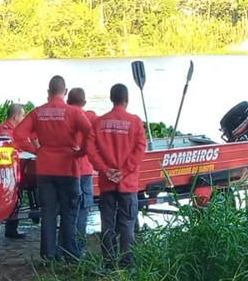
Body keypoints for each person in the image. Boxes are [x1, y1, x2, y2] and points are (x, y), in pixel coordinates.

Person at [12, 76, 89, 261]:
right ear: (65, 91)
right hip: (68, 168)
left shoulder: (39, 112)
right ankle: (70, 254)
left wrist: (37, 150)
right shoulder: (73, 112)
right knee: (69, 212)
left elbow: (18, 134)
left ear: (48, 92)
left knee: (48, 212)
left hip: (45, 169)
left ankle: (48, 255)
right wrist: (80, 153)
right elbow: (89, 131)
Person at [89, 82, 147, 268]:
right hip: (127, 182)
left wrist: (105, 169)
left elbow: (90, 149)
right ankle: (127, 261)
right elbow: (140, 149)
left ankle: (108, 262)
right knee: (127, 222)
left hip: (107, 182)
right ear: (127, 99)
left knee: (107, 223)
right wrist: (124, 170)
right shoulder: (135, 122)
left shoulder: (100, 122)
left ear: (111, 98)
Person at [67, 87, 98, 251]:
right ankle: (78, 248)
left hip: (65, 170)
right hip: (85, 170)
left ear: (67, 101)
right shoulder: (90, 116)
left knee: (68, 210)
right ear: (84, 102)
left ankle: (66, 247)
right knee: (83, 210)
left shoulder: (64, 116)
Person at [0, 101, 28, 239]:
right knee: (15, 198)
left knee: (17, 198)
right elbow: (13, 150)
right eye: (23, 116)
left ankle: (12, 228)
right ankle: (11, 229)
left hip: (12, 169)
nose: (24, 119)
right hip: (9, 171)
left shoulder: (8, 129)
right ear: (15, 117)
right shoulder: (5, 131)